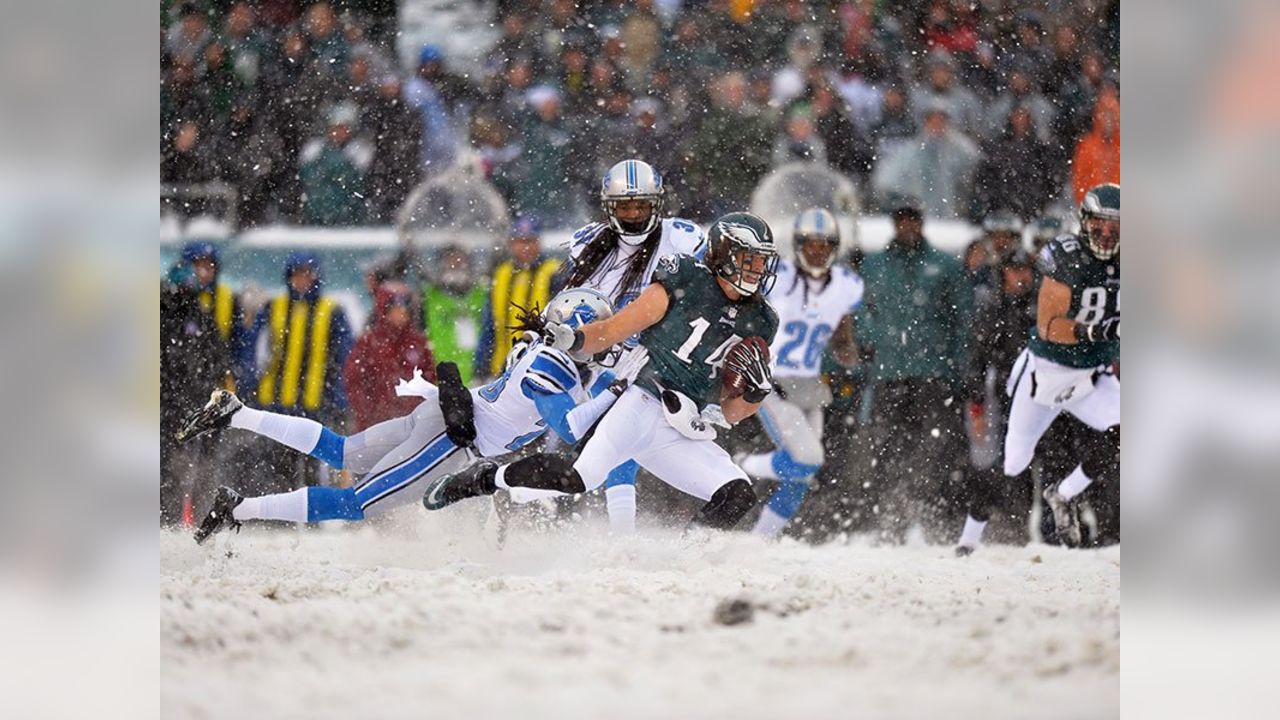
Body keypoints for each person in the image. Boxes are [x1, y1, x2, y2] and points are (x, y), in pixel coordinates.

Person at [181, 288, 649, 543]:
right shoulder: (552, 367)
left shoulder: (540, 347)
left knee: (341, 451)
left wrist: (614, 369)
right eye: (597, 332)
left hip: (444, 414)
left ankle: (238, 413)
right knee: (354, 504)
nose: (603, 340)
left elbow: (579, 376)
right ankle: (240, 508)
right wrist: (618, 392)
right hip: (452, 440)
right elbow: (569, 428)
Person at [420, 212, 781, 534]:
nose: (757, 271)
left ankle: (687, 559)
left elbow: (731, 412)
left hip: (684, 424)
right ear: (721, 254)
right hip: (641, 399)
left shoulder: (762, 320)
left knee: (736, 493)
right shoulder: (685, 278)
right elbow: (615, 329)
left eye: (762, 263)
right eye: (748, 261)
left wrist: (755, 393)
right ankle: (483, 479)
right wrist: (573, 338)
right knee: (579, 476)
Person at [955, 184, 1121, 553]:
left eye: (1116, 227)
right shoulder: (1065, 256)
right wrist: (1100, 330)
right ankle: (968, 539)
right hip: (1047, 373)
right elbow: (1050, 325)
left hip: (1092, 375)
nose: (1107, 234)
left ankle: (1063, 495)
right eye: (1100, 225)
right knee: (1012, 464)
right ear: (1084, 223)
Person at [557, 158, 708, 532]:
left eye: (641, 205)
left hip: (668, 355)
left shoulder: (682, 239)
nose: (634, 214)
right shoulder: (589, 245)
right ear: (610, 207)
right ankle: (613, 527)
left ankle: (639, 525)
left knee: (637, 440)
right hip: (608, 357)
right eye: (625, 206)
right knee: (600, 436)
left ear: (657, 204)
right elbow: (570, 304)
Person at [737, 209, 863, 537]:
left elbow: (843, 343)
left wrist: (849, 353)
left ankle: (759, 541)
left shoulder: (845, 287)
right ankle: (743, 465)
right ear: (798, 246)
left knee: (803, 475)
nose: (817, 251)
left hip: (809, 384)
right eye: (811, 245)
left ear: (834, 247)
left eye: (824, 246)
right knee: (807, 459)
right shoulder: (778, 277)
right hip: (773, 380)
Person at [855, 197, 974, 542]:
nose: (908, 225)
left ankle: (929, 514)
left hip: (933, 373)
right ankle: (888, 519)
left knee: (935, 449)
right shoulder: (875, 265)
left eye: (914, 219)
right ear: (895, 223)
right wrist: (872, 337)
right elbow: (860, 308)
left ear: (922, 222)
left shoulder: (945, 266)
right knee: (887, 446)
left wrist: (957, 367)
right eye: (902, 219)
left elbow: (962, 320)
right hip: (889, 371)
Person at [247, 252, 354, 494]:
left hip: (314, 401)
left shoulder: (331, 311)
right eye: (297, 274)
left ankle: (312, 518)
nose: (302, 280)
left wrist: (338, 395)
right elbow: (253, 349)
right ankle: (277, 518)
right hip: (276, 400)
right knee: (276, 463)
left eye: (307, 274)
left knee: (311, 465)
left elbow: (345, 356)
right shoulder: (273, 308)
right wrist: (251, 384)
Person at [474, 216, 562, 379]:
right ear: (511, 243)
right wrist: (480, 365)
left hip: (541, 368)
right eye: (520, 241)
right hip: (503, 367)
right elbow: (489, 326)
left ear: (538, 242)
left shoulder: (553, 273)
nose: (526, 247)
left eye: (530, 241)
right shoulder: (501, 274)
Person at [343, 281, 434, 432]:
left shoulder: (419, 342)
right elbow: (354, 381)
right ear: (384, 310)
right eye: (396, 309)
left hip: (413, 426)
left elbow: (430, 380)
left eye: (405, 309)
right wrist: (368, 413)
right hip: (375, 427)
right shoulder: (368, 343)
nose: (401, 314)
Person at [422, 245, 487, 385]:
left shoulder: (482, 294)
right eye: (450, 262)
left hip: (478, 379)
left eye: (460, 261)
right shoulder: (430, 295)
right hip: (441, 379)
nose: (455, 265)